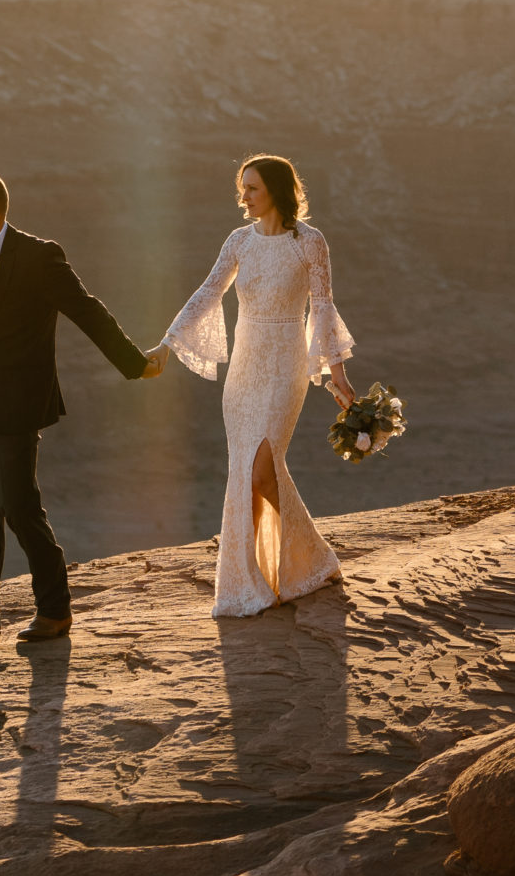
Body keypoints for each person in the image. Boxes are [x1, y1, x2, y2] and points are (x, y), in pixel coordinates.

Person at [0, 170, 162, 650]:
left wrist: (135, 364)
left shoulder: (37, 257)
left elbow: (86, 309)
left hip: (15, 407)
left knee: (19, 508)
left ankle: (54, 609)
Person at [146, 154, 358, 618]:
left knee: (263, 469)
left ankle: (296, 567)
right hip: (243, 372)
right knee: (248, 477)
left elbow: (322, 308)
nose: (243, 196)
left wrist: (336, 374)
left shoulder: (310, 243)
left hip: (285, 367)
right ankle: (273, 576)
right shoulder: (239, 242)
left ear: (278, 191)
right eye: (242, 187)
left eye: (253, 188)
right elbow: (208, 292)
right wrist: (167, 344)